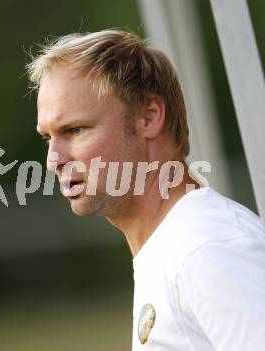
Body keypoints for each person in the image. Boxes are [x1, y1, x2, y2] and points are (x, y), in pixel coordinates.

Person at [26, 29, 265, 350]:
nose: (53, 159)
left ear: (149, 117)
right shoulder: (175, 246)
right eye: (48, 138)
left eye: (75, 129)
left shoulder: (208, 248)